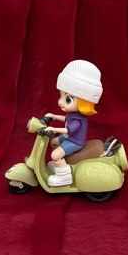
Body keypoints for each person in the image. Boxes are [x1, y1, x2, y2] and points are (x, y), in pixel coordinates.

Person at [42, 59, 102, 187]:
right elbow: (66, 119)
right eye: (61, 96)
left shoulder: (79, 120)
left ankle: (64, 177)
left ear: (84, 102)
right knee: (54, 142)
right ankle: (61, 164)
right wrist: (53, 116)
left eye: (68, 99)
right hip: (69, 138)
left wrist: (53, 129)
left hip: (75, 141)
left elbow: (68, 130)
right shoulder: (73, 114)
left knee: (54, 154)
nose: (60, 102)